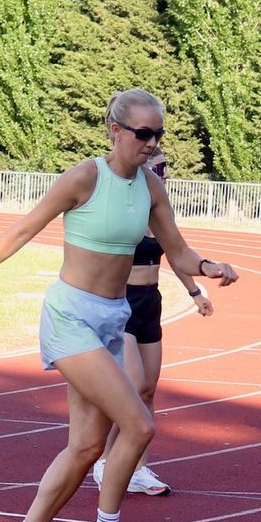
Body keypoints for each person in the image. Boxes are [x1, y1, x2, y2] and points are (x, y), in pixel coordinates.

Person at [0, 90, 238, 522]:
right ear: (115, 130)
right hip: (71, 316)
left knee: (86, 446)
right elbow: (21, 232)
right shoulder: (84, 178)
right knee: (138, 424)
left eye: (158, 134)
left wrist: (209, 267)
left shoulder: (151, 188)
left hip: (112, 319)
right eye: (143, 133)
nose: (151, 143)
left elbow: (179, 252)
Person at [90, 146, 213, 496]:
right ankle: (106, 461)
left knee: (147, 391)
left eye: (166, 167)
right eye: (159, 168)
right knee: (131, 387)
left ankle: (139, 467)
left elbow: (176, 254)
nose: (165, 174)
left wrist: (195, 293)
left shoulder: (159, 208)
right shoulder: (122, 207)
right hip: (122, 303)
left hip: (150, 302)